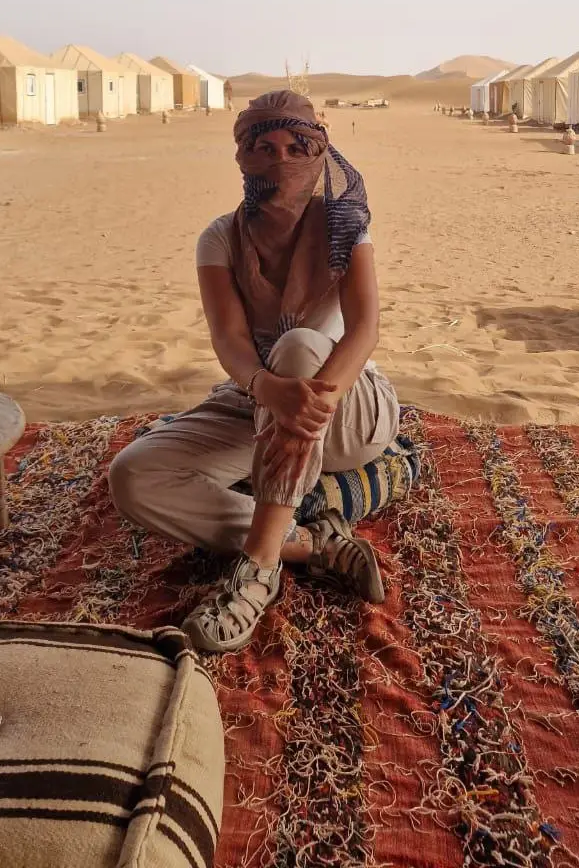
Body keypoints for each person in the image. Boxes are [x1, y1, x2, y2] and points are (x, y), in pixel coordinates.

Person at [109, 91, 399, 654]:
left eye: (297, 147)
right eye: (265, 148)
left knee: (298, 346)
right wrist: (270, 392)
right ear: (242, 156)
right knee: (134, 477)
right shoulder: (221, 237)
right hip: (259, 395)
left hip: (348, 409)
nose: (281, 160)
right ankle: (312, 543)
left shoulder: (344, 225)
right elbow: (231, 341)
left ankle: (259, 568)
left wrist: (309, 403)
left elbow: (364, 330)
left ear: (319, 150)